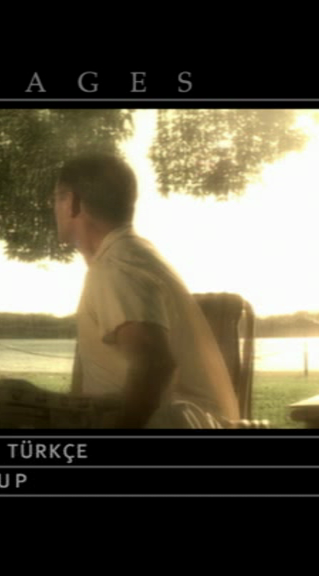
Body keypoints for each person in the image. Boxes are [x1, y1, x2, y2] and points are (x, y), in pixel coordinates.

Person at [54, 153, 240, 428]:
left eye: (55, 199)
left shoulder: (116, 267)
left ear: (73, 202)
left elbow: (155, 365)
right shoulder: (137, 255)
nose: (54, 211)